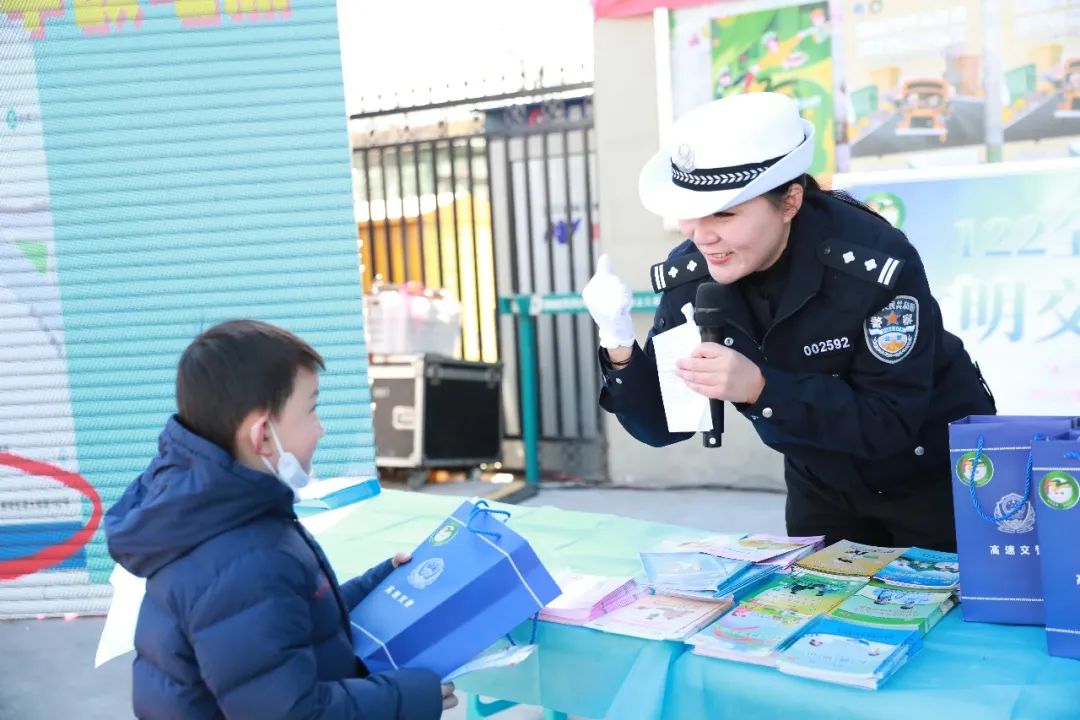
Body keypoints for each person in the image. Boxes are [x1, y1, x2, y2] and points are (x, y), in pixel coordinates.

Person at [582, 92, 995, 552]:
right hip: (820, 479)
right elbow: (663, 426)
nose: (703, 236)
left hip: (931, 471)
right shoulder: (696, 274)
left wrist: (761, 389)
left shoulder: (870, 262)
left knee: (949, 596)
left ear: (790, 202)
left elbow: (888, 422)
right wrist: (618, 341)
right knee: (817, 594)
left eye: (725, 213)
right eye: (689, 214)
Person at [105, 319, 456, 719]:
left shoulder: (219, 513)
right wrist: (409, 696)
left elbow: (283, 621)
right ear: (263, 435)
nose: (320, 429)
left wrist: (375, 583)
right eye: (311, 410)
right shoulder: (244, 559)